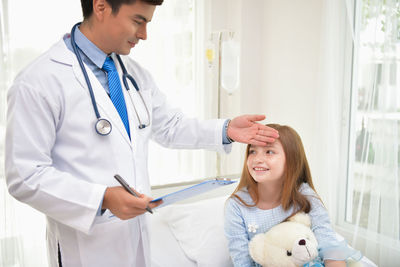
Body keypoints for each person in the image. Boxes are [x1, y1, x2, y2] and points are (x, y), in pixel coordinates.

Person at [5, 0, 279, 266]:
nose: (144, 35)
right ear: (101, 7)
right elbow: (25, 175)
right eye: (138, 21)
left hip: (137, 238)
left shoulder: (133, 74)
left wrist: (226, 129)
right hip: (85, 247)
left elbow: (171, 126)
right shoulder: (39, 81)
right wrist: (102, 199)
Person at [224, 124, 360, 267]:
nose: (257, 159)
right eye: (252, 151)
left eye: (269, 151)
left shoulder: (304, 195)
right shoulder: (236, 206)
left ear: (291, 159)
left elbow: (327, 240)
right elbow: (242, 260)